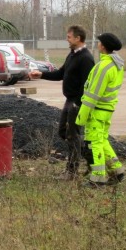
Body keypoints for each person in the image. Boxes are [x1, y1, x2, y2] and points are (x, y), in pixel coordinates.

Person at [29, 25, 95, 179]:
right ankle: (90, 161)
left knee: (73, 135)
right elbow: (60, 74)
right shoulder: (72, 55)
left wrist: (78, 103)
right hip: (69, 100)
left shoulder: (86, 58)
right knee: (64, 132)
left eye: (69, 37)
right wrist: (41, 75)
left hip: (76, 103)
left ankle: (72, 171)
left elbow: (87, 84)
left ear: (78, 38)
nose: (67, 40)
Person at [76, 32, 126, 187]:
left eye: (99, 42)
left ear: (103, 46)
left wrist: (81, 117)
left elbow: (92, 95)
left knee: (95, 143)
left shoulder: (103, 67)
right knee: (102, 140)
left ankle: (97, 178)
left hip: (97, 111)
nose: (97, 44)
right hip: (107, 110)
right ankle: (117, 171)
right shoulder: (116, 65)